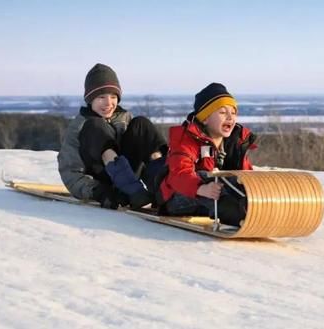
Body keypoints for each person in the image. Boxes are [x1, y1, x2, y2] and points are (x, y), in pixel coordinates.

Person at [58, 63, 167, 210]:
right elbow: (70, 171)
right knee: (95, 126)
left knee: (142, 124)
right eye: (101, 97)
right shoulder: (80, 125)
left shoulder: (124, 118)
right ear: (90, 100)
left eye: (113, 96)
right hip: (105, 185)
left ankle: (164, 184)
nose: (108, 103)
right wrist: (98, 192)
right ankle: (132, 190)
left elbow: (141, 149)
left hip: (131, 179)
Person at [158, 83, 257, 226]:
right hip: (179, 197)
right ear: (205, 118)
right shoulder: (186, 140)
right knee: (207, 176)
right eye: (222, 112)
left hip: (214, 197)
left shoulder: (235, 143)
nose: (230, 117)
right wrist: (201, 188)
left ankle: (255, 210)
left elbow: (246, 175)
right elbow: (178, 174)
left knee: (238, 179)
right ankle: (237, 215)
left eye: (233, 112)